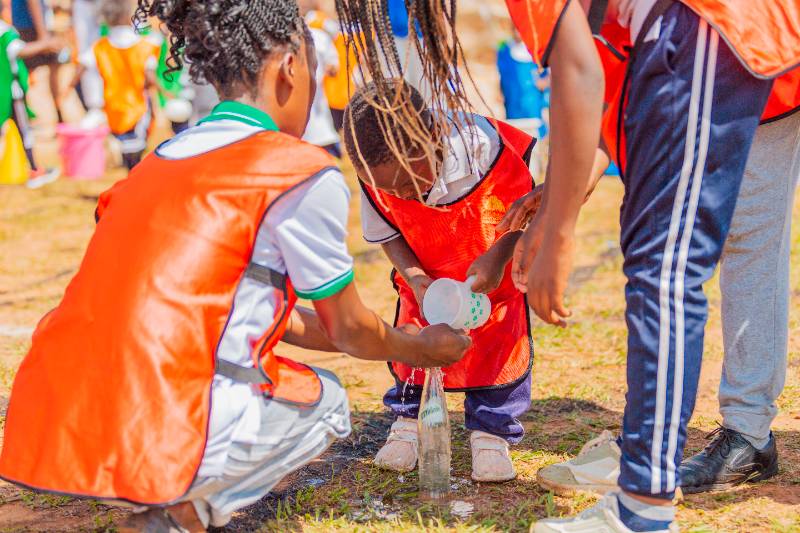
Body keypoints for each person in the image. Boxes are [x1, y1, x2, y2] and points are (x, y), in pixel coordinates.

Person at [0, 2, 471, 533]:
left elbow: (259, 317)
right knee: (328, 403)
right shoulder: (294, 170)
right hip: (157, 418)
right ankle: (183, 512)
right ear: (290, 67)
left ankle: (165, 502)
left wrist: (390, 337)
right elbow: (350, 329)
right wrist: (419, 348)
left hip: (58, 415)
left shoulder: (161, 159)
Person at [500, 0, 800, 531]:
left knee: (670, 265)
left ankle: (645, 503)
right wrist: (561, 197)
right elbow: (608, 84)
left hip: (728, 33)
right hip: (718, 43)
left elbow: (580, 72)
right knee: (658, 253)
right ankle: (647, 454)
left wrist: (559, 229)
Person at [344, 80, 539, 482]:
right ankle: (407, 423)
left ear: (433, 138)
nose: (403, 197)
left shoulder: (489, 152)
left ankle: (491, 433)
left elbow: (532, 212)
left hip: (492, 277)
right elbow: (387, 232)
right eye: (389, 190)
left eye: (407, 184)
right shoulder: (376, 173)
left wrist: (501, 253)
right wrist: (416, 279)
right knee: (413, 345)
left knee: (498, 346)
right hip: (427, 281)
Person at [65, 0, 160, 170]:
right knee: (137, 149)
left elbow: (81, 66)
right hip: (137, 107)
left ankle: (127, 166)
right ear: (129, 17)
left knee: (125, 145)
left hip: (113, 108)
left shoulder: (100, 46)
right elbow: (150, 77)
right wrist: (164, 91)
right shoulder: (143, 46)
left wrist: (68, 88)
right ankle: (133, 170)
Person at [0, 17, 59, 187]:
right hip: (10, 92)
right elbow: (19, 50)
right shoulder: (4, 31)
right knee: (24, 131)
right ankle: (34, 170)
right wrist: (45, 44)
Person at [10, 0, 63, 123]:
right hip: (30, 26)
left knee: (25, 72)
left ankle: (27, 114)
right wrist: (43, 34)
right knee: (26, 72)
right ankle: (27, 115)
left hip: (26, 24)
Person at [300, 6, 341, 157]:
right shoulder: (318, 36)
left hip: (319, 120)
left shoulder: (319, 36)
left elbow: (333, 66)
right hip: (305, 128)